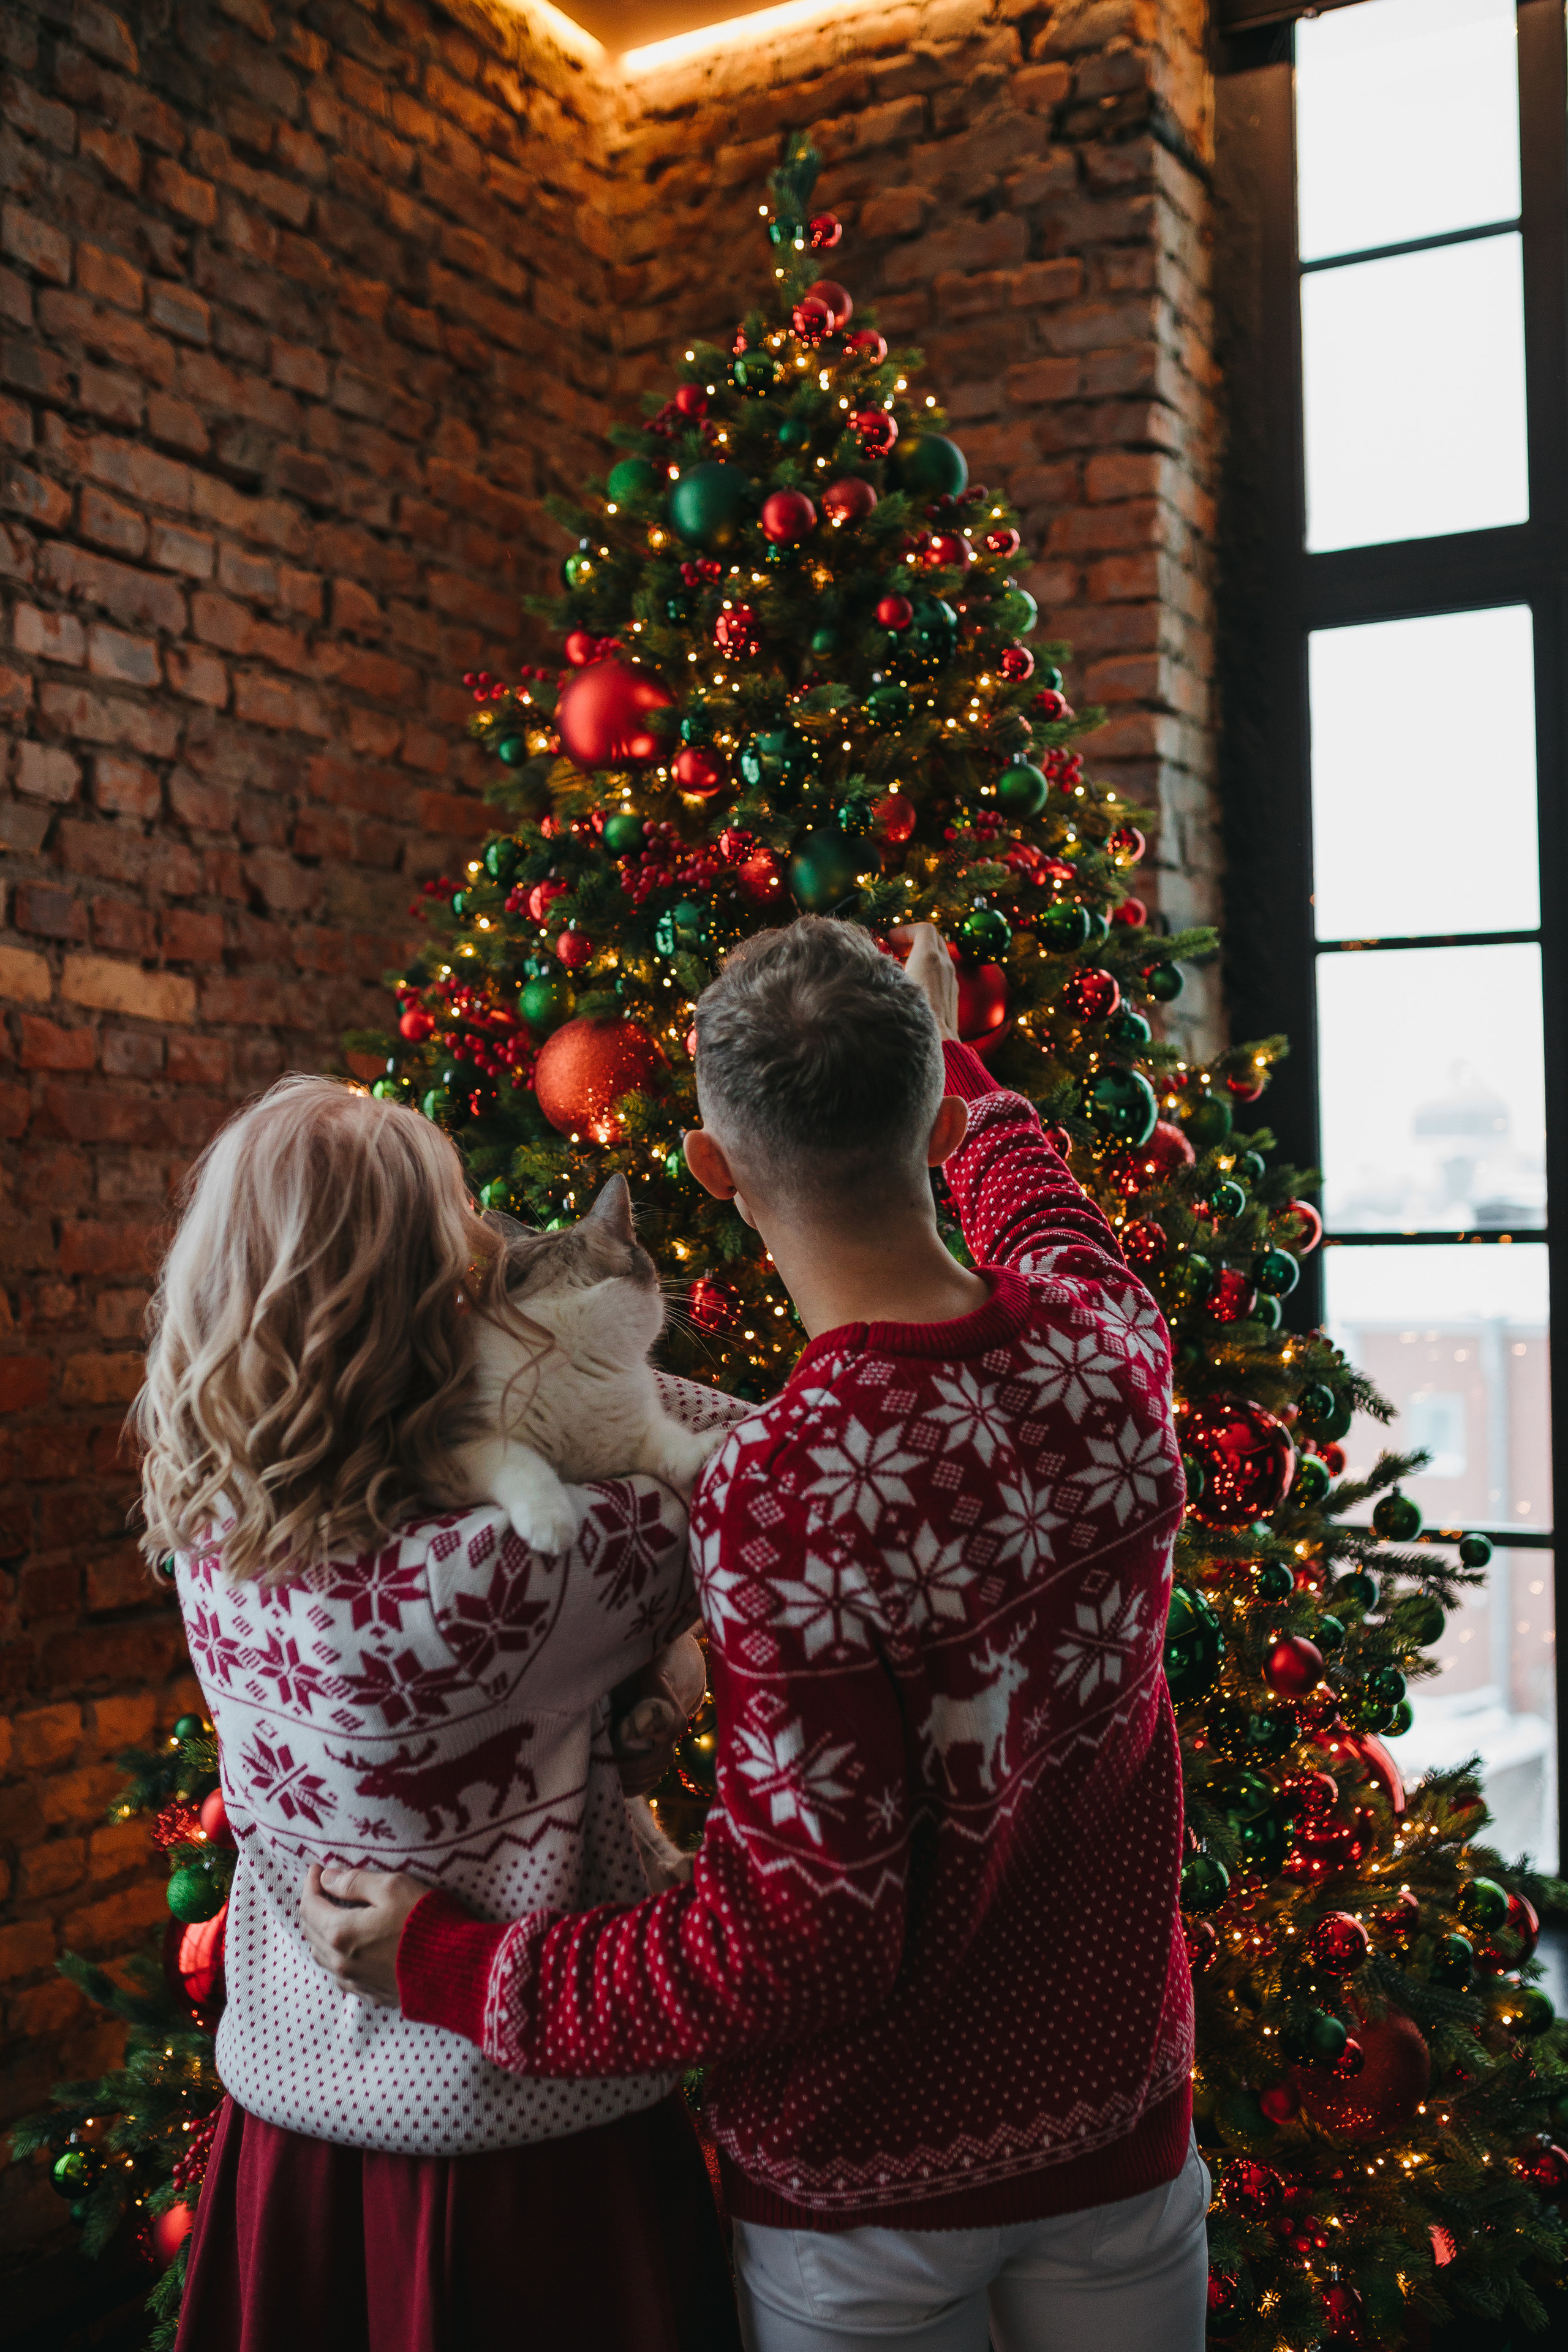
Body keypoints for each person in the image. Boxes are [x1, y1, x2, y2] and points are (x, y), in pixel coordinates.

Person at [300, 919, 1208, 2352]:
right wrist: (947, 1045)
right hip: (1124, 2131)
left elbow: (790, 1951)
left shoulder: (787, 1493)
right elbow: (1037, 1203)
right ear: (934, 1114)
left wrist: (446, 1966)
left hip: (872, 2205)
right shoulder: (1109, 1343)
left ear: (715, 1176)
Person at [135, 1075, 742, 2352]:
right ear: (430, 1294)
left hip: (288, 2131)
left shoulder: (211, 1524)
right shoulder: (514, 1572)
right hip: (528, 2142)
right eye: (461, 1228)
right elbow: (730, 1452)